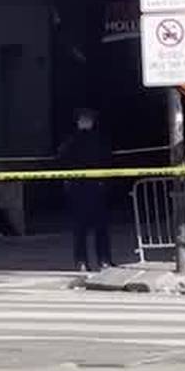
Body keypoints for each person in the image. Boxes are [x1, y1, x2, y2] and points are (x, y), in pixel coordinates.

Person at [59, 107, 114, 272]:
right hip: (79, 188)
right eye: (83, 119)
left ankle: (104, 260)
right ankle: (82, 262)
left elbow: (107, 160)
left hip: (96, 187)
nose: (86, 122)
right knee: (80, 228)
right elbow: (62, 160)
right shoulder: (70, 141)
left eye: (88, 119)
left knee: (101, 227)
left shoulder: (99, 140)